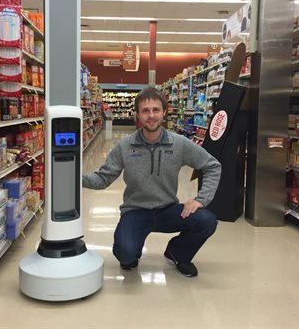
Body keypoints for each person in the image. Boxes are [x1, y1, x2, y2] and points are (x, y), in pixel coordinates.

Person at [82, 86, 221, 277]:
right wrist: (73, 178)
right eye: (145, 111)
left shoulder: (179, 143)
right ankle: (131, 252)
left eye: (156, 110)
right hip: (135, 210)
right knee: (126, 255)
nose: (151, 115)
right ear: (138, 114)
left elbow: (213, 165)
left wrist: (201, 199)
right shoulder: (125, 146)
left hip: (168, 209)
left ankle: (178, 252)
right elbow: (103, 178)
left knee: (207, 220)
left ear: (164, 112)